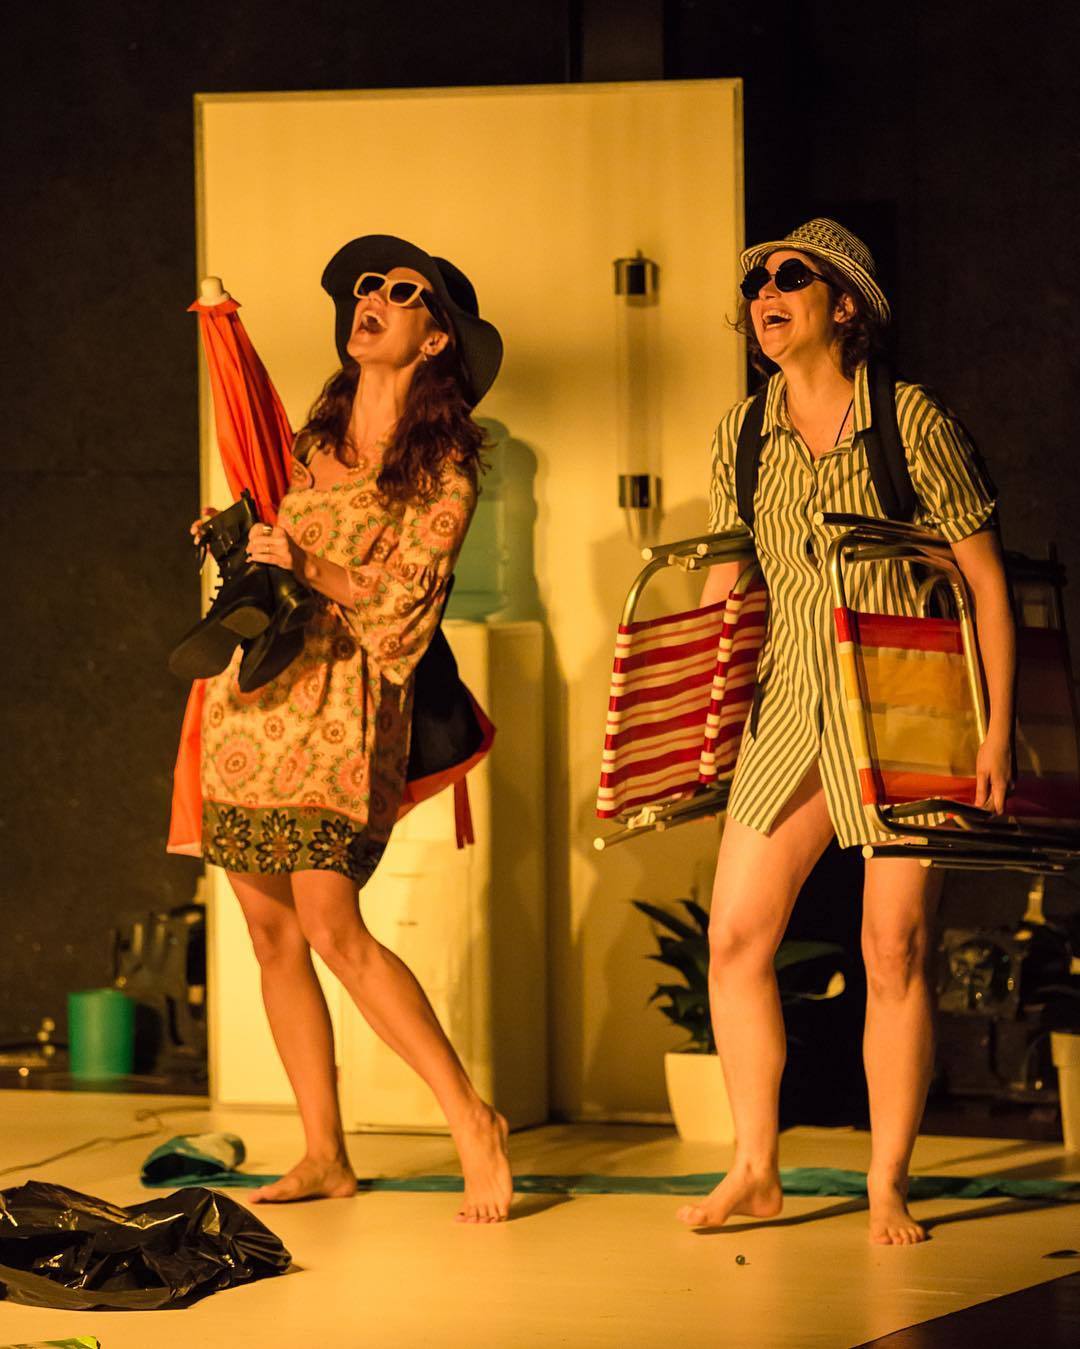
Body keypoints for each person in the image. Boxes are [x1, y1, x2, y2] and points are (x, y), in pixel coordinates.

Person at [678, 219, 1015, 1244]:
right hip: (791, 703)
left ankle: (887, 1180)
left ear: (846, 304)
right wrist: (690, 703)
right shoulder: (743, 433)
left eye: (791, 276)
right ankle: (755, 1165)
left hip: (910, 700)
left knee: (892, 944)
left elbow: (988, 582)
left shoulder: (909, 421)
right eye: (755, 282)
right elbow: (727, 584)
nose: (765, 294)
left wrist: (996, 731)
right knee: (735, 936)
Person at [192, 235, 513, 1222]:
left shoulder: (442, 466)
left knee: (333, 924)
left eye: (399, 291)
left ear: (435, 339)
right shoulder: (306, 447)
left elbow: (408, 601)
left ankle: (472, 1118)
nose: (369, 298)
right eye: (364, 286)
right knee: (270, 930)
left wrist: (306, 564)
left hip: (346, 710)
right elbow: (279, 558)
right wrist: (237, 545)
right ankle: (324, 1151)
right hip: (255, 703)